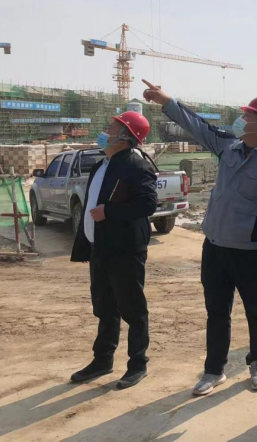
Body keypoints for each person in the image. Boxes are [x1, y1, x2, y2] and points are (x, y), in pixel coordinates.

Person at [142, 80, 257, 396]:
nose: (242, 120)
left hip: (250, 251)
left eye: (249, 116)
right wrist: (166, 101)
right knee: (217, 312)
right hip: (214, 248)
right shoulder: (227, 146)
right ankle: (214, 370)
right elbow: (197, 125)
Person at [70, 111, 157, 390]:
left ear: (125, 136)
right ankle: (102, 360)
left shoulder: (137, 165)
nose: (105, 132)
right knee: (105, 307)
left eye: (111, 128)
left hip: (125, 250)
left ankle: (137, 364)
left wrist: (109, 211)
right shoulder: (102, 165)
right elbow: (91, 205)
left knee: (133, 309)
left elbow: (147, 204)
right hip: (101, 248)